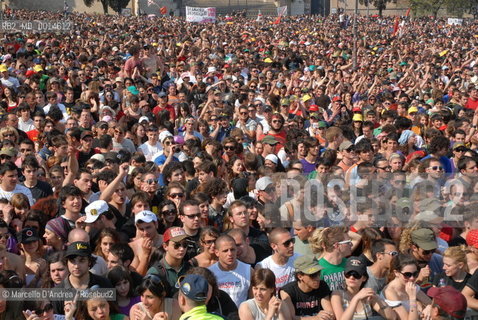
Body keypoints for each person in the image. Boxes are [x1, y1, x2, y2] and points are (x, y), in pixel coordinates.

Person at [330, 256, 396, 320]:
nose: (351, 277)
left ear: (364, 278)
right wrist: (356, 299)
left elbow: (392, 317)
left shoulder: (366, 294)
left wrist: (378, 299)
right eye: (348, 274)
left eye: (356, 274)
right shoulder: (337, 294)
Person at [280, 254, 334, 319]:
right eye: (313, 275)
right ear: (300, 276)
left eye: (318, 273)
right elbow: (291, 318)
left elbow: (330, 314)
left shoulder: (322, 285)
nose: (317, 278)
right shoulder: (287, 291)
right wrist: (316, 318)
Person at [381, 254, 431, 319]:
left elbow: (432, 304)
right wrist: (412, 298)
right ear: (396, 273)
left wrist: (429, 307)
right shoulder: (390, 292)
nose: (412, 278)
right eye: (407, 274)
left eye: (415, 274)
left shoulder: (410, 285)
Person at [209, 234, 252, 307]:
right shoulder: (210, 273)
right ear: (217, 252)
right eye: (225, 251)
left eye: (232, 249)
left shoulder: (248, 270)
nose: (230, 254)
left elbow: (253, 301)